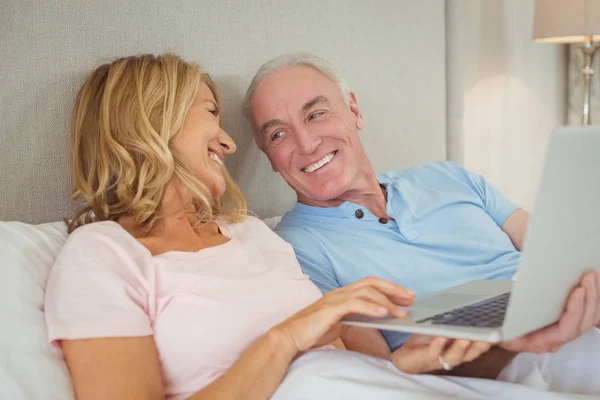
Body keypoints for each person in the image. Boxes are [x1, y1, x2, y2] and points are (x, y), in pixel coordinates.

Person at [43, 54, 493, 400]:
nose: (229, 141)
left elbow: (356, 357)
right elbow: (301, 335)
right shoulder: (101, 254)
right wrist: (287, 337)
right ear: (153, 120)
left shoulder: (249, 233)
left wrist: (409, 365)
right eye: (210, 112)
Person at [243, 53, 600, 381]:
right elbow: (383, 375)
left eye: (316, 114)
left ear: (354, 110)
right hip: (506, 369)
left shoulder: (447, 177)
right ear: (269, 156)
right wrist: (507, 343)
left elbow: (553, 248)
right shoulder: (293, 251)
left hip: (573, 317)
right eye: (278, 134)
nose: (306, 144)